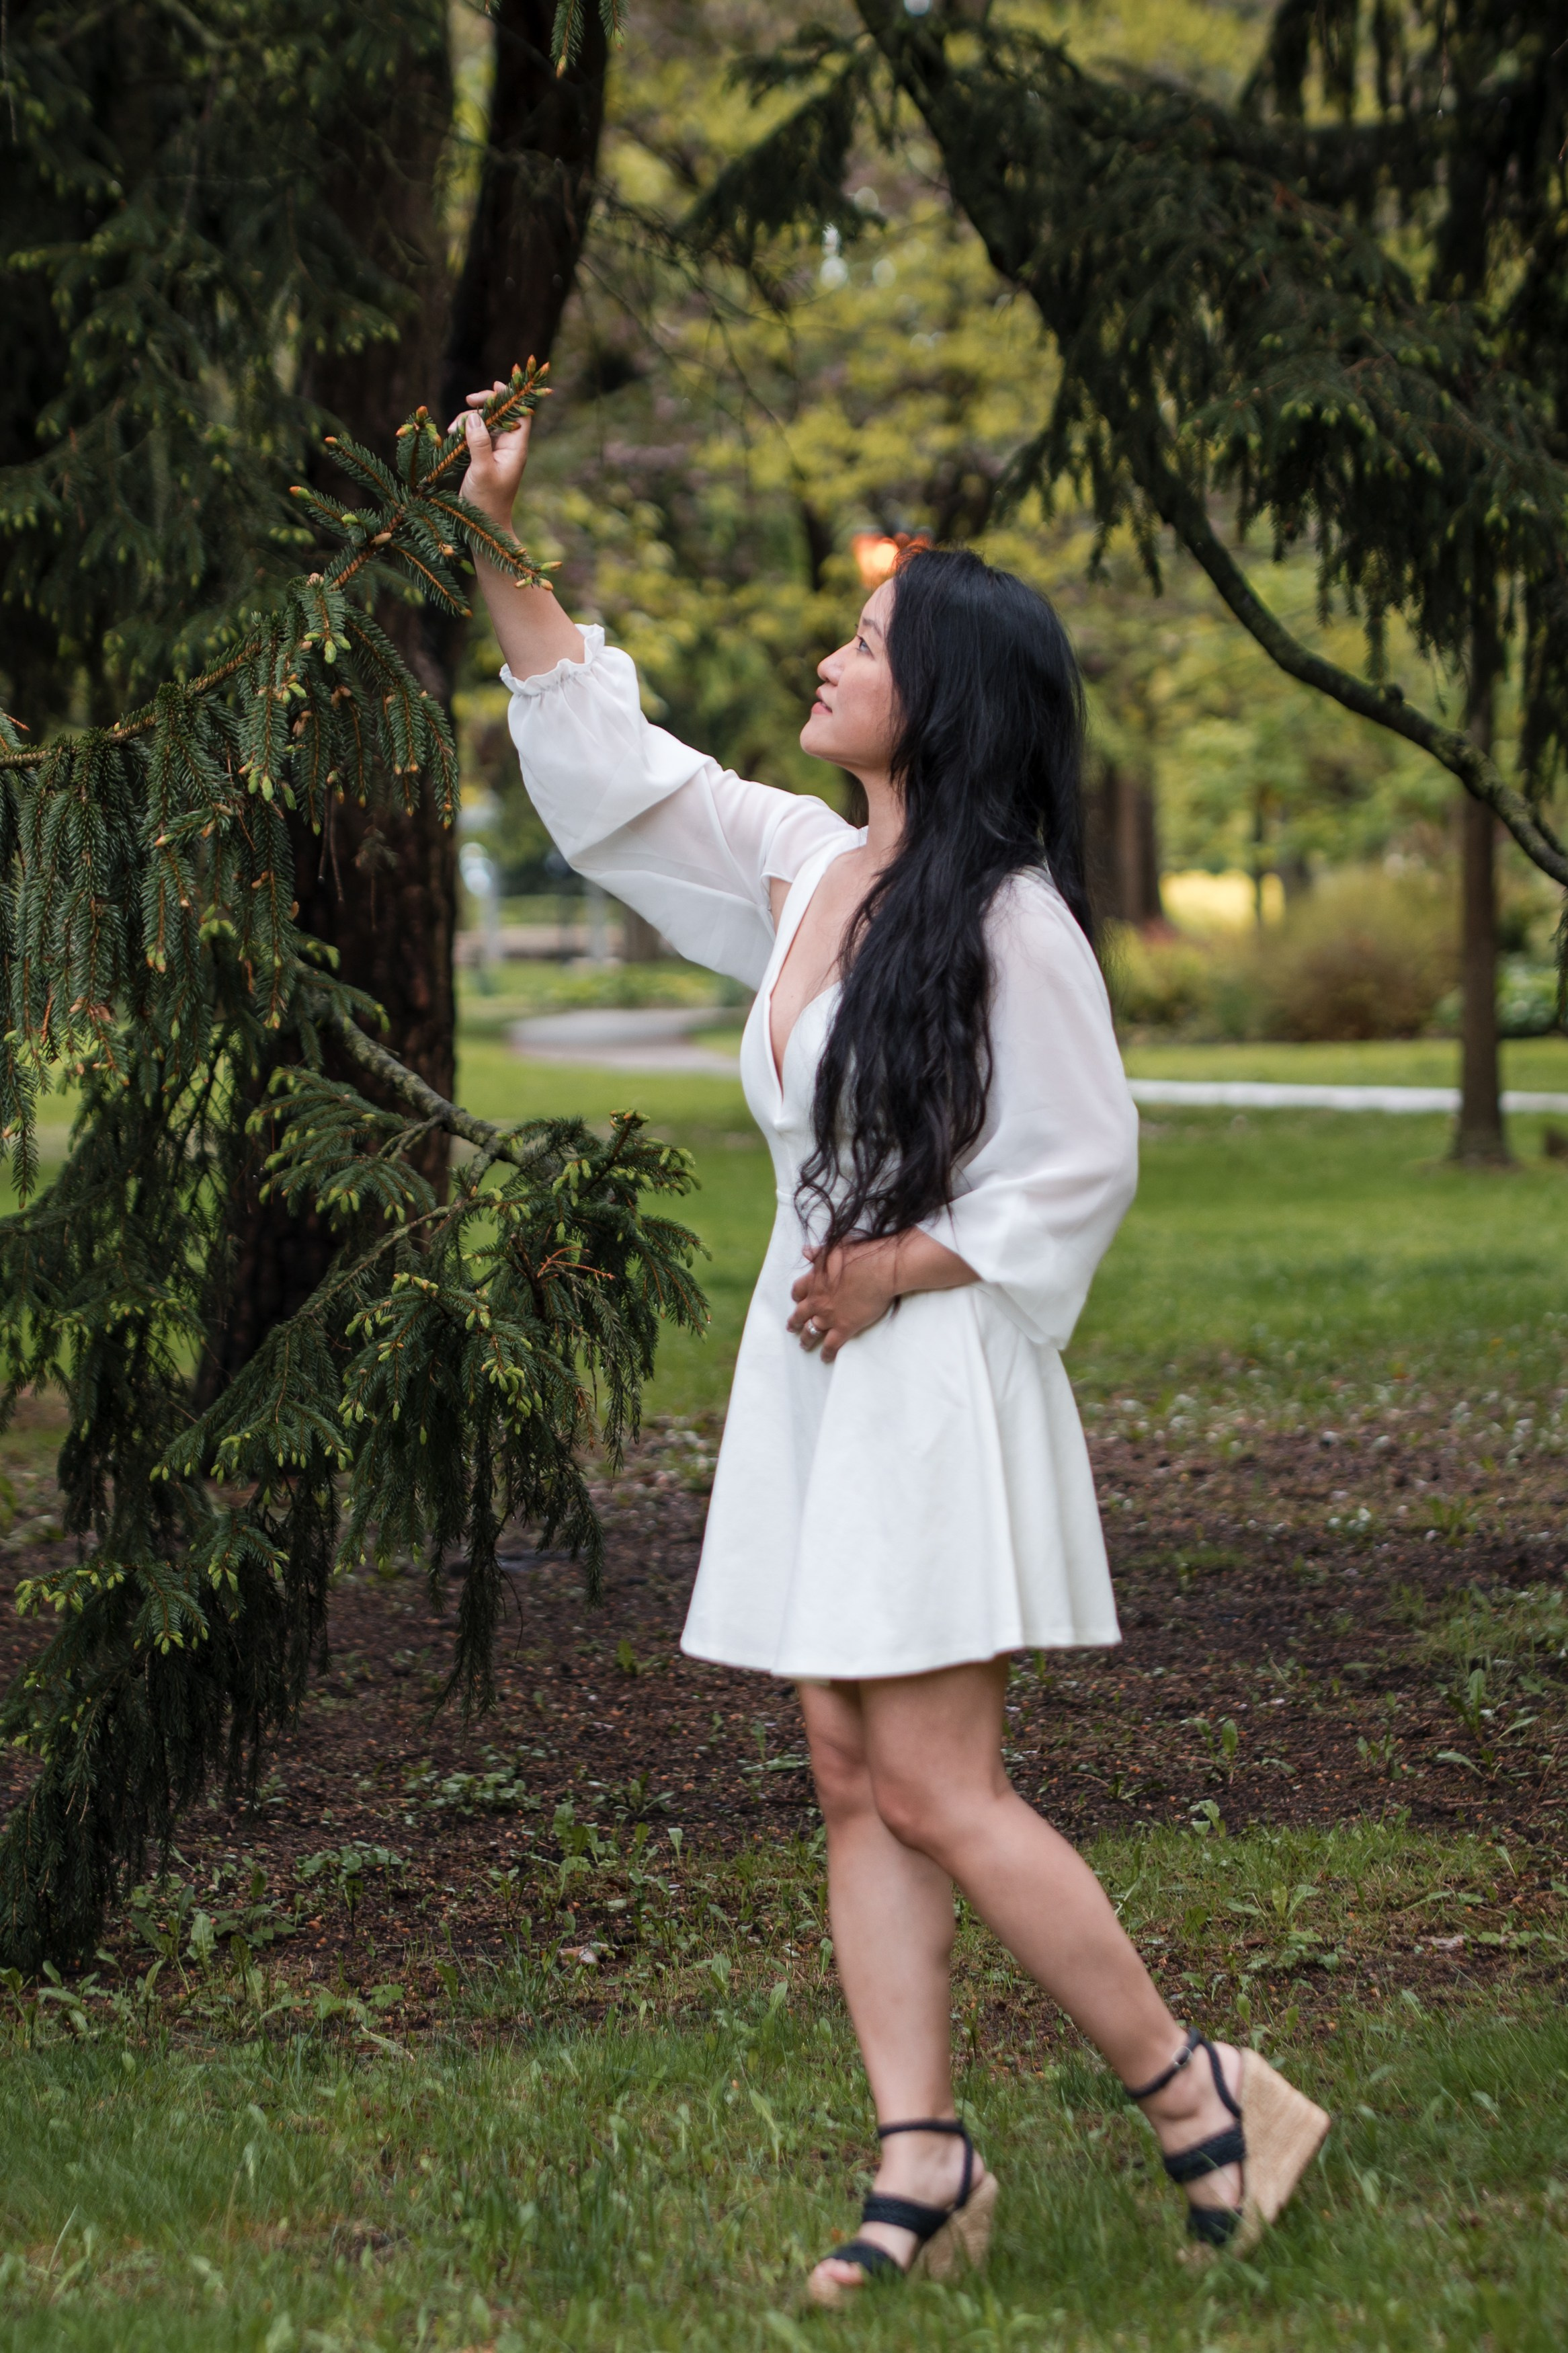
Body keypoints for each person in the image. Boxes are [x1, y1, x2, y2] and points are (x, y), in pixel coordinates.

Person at [452, 386, 1331, 2303]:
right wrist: (499, 535)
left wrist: (902, 1265)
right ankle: (920, 2157)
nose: (831, 659)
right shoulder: (800, 865)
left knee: (942, 1783)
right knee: (850, 1769)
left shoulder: (1013, 920)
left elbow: (1081, 1163)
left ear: (938, 695)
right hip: (827, 1378)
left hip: (929, 1378)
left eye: (864, 645)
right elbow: (614, 769)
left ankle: (1208, 2097)